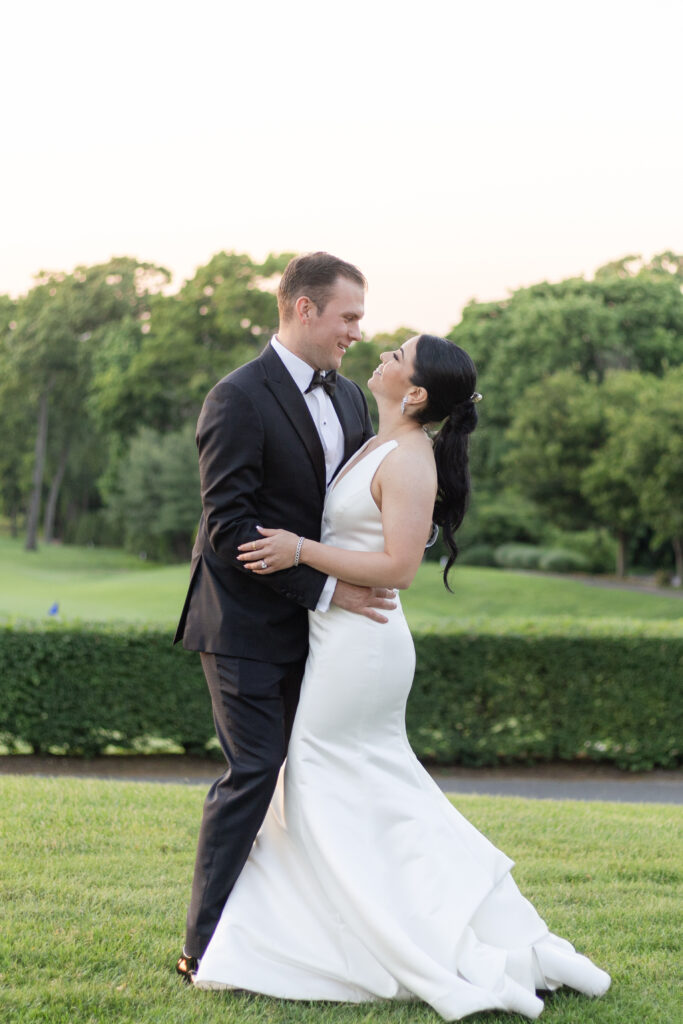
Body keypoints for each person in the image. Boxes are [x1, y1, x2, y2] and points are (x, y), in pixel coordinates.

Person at [192, 334, 611, 1020]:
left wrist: (298, 549)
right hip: (337, 637)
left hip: (362, 644)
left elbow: (399, 569)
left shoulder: (411, 460)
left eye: (395, 355)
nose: (380, 353)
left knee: (327, 783)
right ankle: (461, 927)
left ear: (413, 393)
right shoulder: (376, 435)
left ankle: (405, 937)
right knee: (370, 788)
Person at [173, 252, 397, 980]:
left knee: (314, 776)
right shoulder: (237, 398)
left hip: (322, 637)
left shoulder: (351, 401)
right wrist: (328, 593)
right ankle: (202, 948)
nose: (357, 331)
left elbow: (350, 507)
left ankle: (302, 934)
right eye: (348, 316)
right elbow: (227, 530)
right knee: (256, 770)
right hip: (241, 628)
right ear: (304, 309)